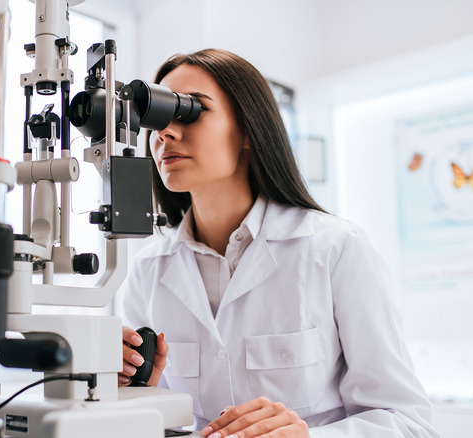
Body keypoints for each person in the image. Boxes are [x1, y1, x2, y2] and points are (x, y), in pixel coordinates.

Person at [117, 49, 438, 438]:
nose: (166, 132)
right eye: (158, 117)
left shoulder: (336, 249)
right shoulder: (147, 270)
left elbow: (410, 424)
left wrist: (307, 437)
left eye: (188, 111)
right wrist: (128, 393)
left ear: (250, 131)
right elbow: (158, 421)